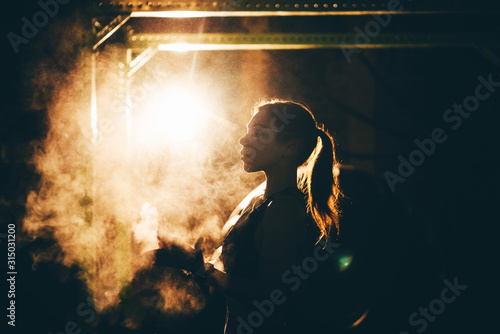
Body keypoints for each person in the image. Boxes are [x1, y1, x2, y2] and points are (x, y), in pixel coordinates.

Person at [156, 99, 342, 333]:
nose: (243, 140)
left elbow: (269, 296)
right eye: (247, 131)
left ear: (290, 147)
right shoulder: (258, 202)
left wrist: (199, 268)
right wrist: (188, 255)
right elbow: (238, 274)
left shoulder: (284, 210)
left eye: (258, 133)